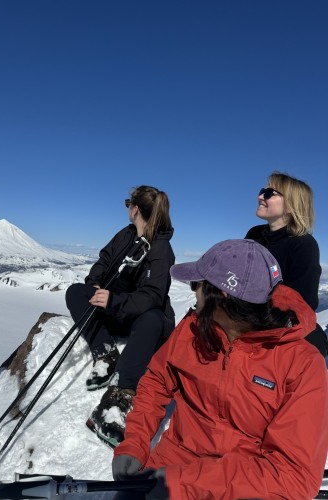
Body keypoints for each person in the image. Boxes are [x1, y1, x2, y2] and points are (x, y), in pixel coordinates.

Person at [112, 239, 328, 499]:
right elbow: (157, 381)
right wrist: (133, 443)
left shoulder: (302, 365)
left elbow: (293, 475)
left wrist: (184, 484)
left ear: (222, 295)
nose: (194, 292)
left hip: (245, 485)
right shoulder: (192, 328)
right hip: (172, 463)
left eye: (197, 284)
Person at [66, 185, 175, 447]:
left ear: (135, 209)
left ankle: (120, 394)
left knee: (152, 318)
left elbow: (153, 296)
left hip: (140, 318)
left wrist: (114, 300)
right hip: (115, 308)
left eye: (128, 204)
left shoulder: (161, 248)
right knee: (75, 292)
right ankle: (106, 353)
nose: (127, 209)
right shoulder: (125, 235)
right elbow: (104, 260)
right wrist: (94, 283)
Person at [245, 171, 327, 357]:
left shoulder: (303, 245)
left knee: (313, 344)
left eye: (269, 193)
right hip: (244, 316)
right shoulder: (254, 234)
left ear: (291, 205)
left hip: (275, 325)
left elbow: (303, 305)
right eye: (262, 191)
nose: (260, 196)